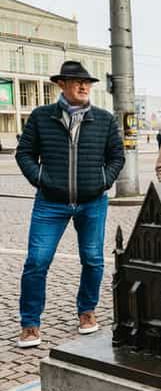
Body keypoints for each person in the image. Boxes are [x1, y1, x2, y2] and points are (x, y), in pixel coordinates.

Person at [14, 61, 125, 347]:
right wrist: (41, 179)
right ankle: (30, 324)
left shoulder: (104, 119)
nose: (84, 86)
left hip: (92, 202)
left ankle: (87, 311)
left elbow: (117, 156)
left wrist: (103, 181)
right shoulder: (41, 117)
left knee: (93, 259)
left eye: (87, 82)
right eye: (77, 81)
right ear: (61, 84)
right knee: (37, 261)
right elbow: (24, 153)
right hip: (50, 203)